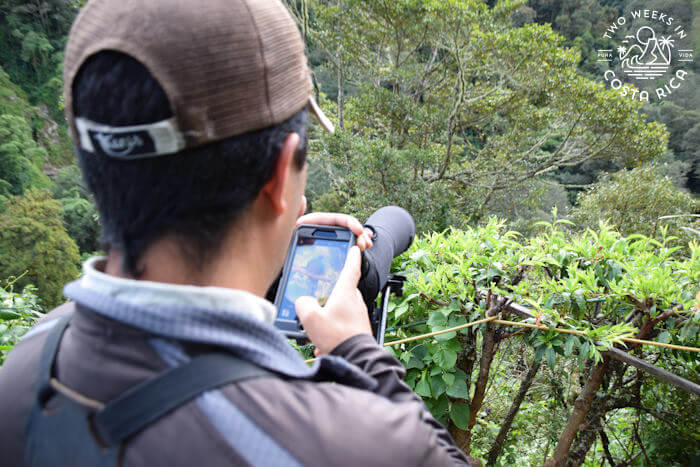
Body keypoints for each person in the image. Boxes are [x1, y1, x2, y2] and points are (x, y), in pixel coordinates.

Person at [0, 0, 469, 465]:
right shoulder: (338, 441)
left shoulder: (29, 361)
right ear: (282, 174)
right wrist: (359, 352)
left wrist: (260, 258)